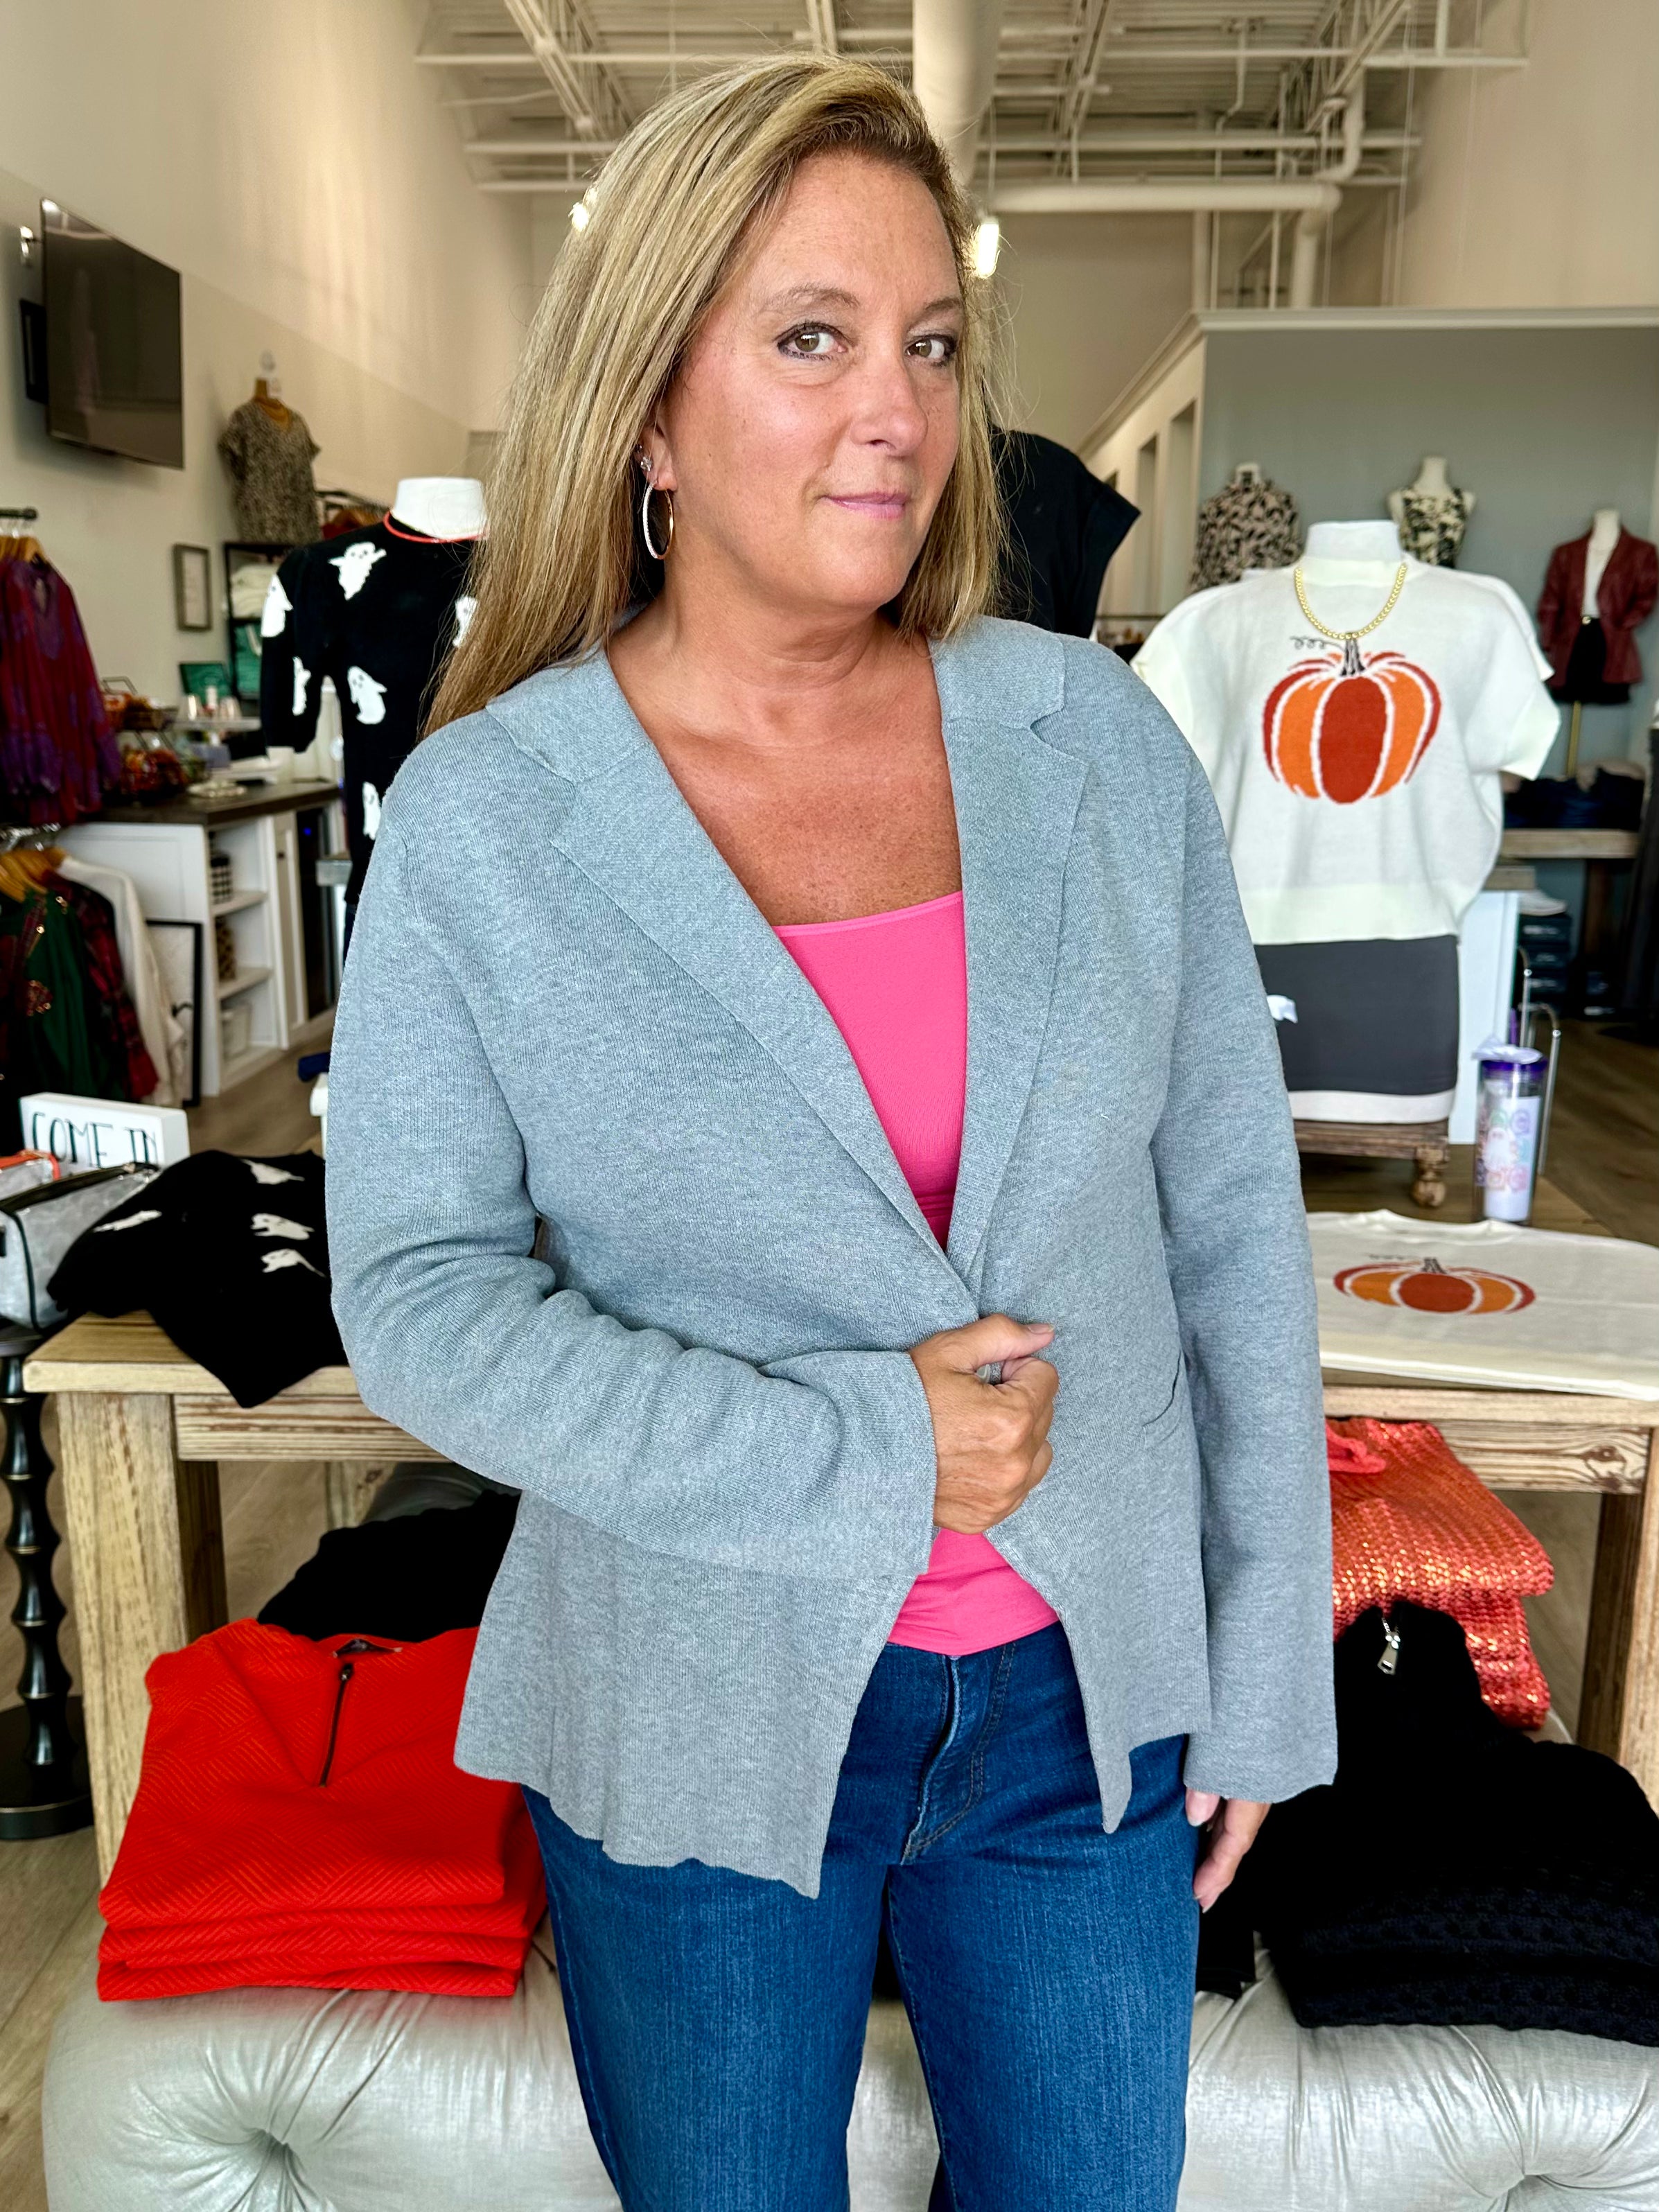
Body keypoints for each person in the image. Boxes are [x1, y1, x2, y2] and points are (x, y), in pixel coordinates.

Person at [326, 54, 1334, 2212]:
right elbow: (419, 1301)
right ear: (648, 410)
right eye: (810, 339)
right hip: (690, 1689)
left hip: (1083, 1696)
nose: (895, 410)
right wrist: (864, 1453)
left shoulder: (1094, 745)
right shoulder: (494, 818)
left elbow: (1229, 1230)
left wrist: (1264, 1665)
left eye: (930, 345)